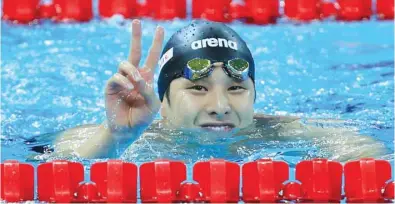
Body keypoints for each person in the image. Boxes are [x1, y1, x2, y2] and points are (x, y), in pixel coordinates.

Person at [45, 19, 388, 161]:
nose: (220, 105)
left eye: (237, 87)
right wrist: (118, 136)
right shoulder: (144, 137)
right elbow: (65, 160)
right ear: (162, 100)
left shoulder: (277, 133)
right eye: (197, 87)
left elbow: (360, 148)